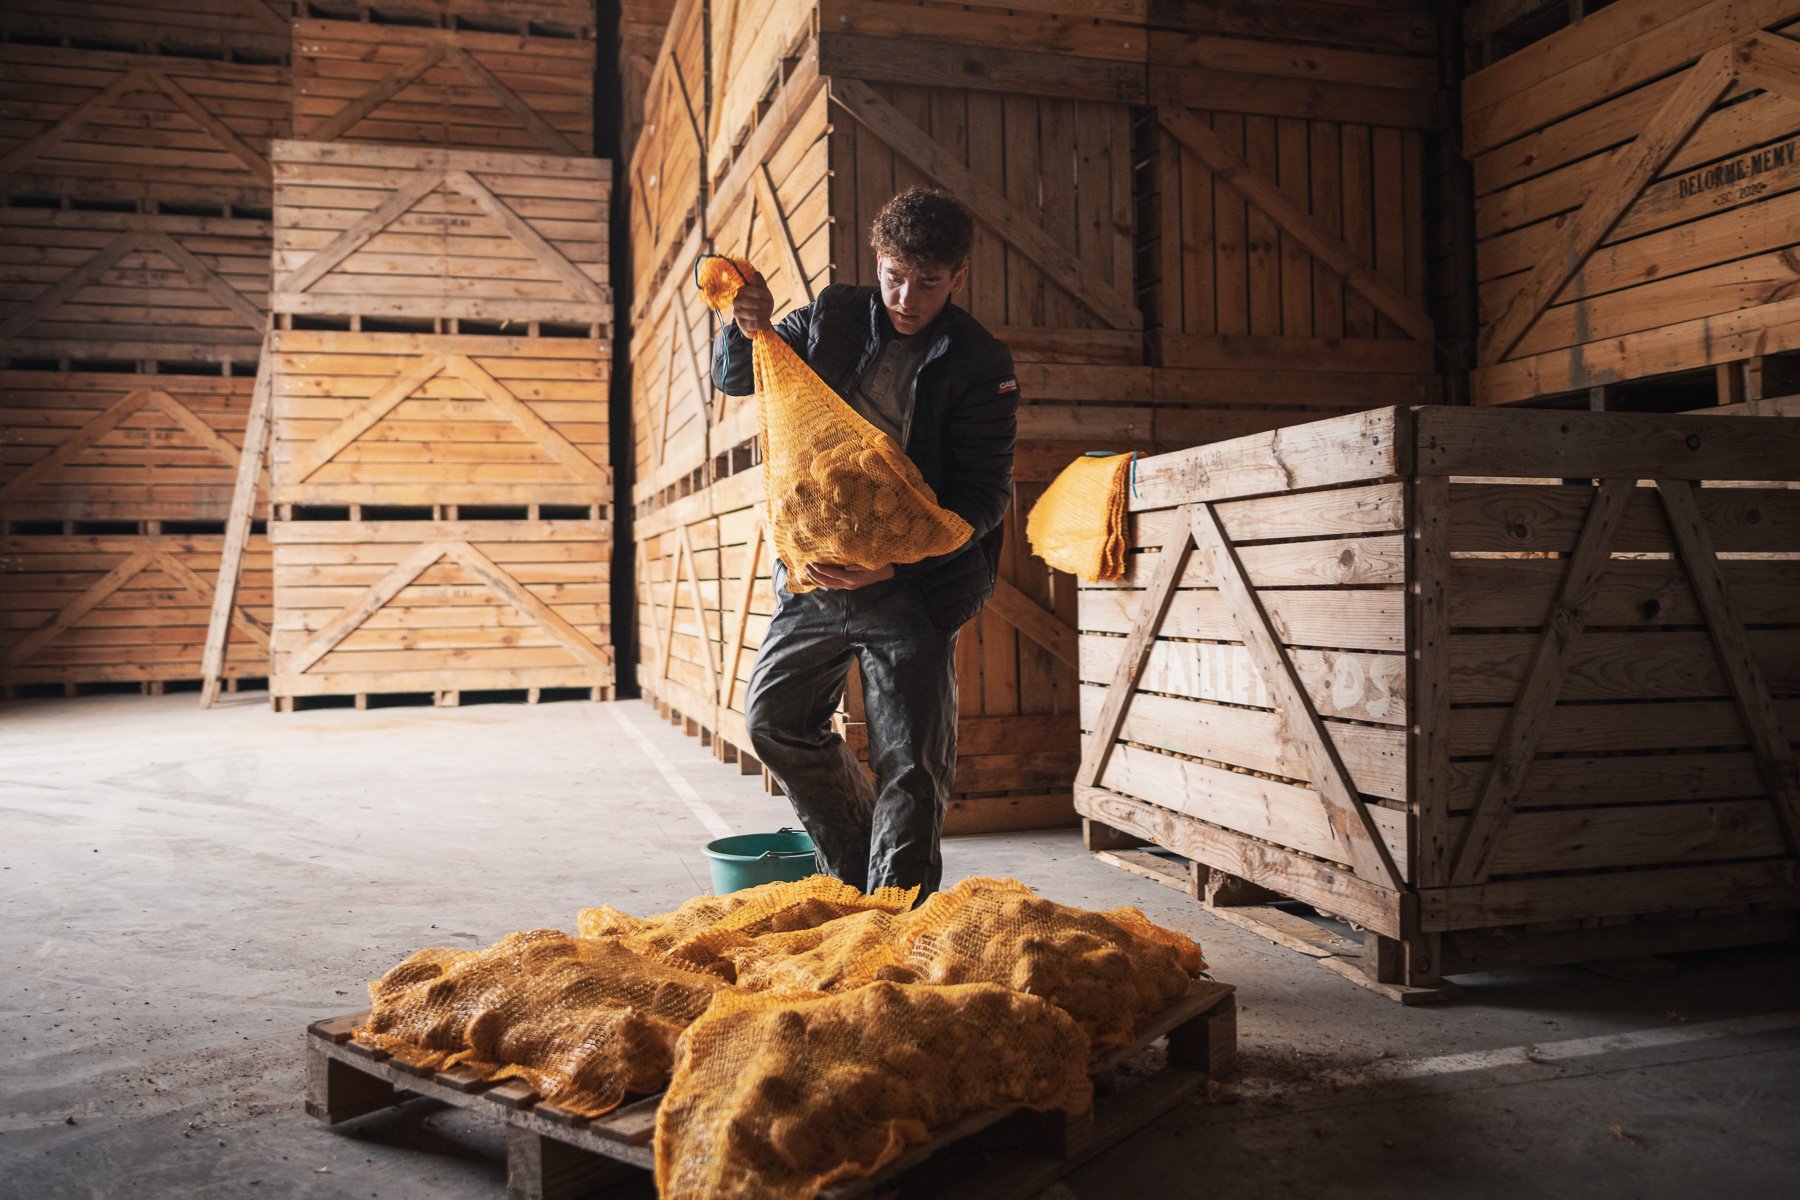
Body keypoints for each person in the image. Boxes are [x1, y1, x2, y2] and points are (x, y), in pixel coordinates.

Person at [710, 186, 1018, 900]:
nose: (907, 297)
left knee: (910, 762)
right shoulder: (831, 316)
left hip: (912, 587)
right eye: (894, 277)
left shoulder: (980, 362)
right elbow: (737, 375)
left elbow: (984, 496)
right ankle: (857, 884)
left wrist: (895, 561)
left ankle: (900, 920)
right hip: (815, 572)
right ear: (877, 261)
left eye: (928, 284)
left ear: (958, 278)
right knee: (774, 721)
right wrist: (741, 322)